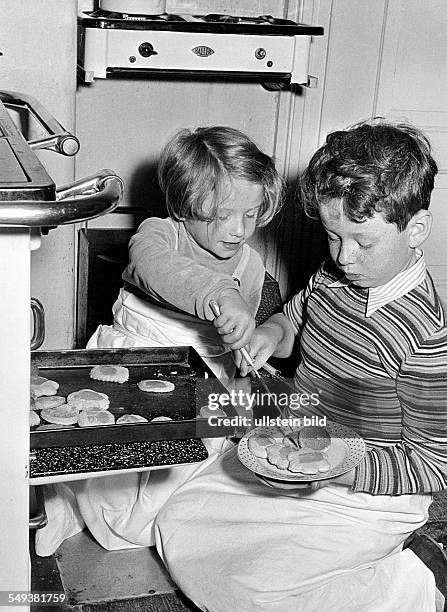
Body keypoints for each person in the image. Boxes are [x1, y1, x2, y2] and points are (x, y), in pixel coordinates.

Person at [154, 120, 447, 611]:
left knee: (252, 590)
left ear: (416, 228)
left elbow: (434, 465)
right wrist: (272, 334)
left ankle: (411, 582)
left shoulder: (425, 337)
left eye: (362, 242)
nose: (344, 257)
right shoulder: (334, 273)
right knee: (178, 521)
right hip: (301, 447)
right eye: (333, 237)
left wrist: (339, 470)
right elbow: (296, 317)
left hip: (369, 494)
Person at [35, 126, 284, 556]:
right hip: (133, 368)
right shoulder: (158, 234)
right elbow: (157, 266)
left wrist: (244, 369)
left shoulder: (252, 263)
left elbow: (236, 347)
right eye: (220, 215)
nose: (237, 230)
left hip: (205, 385)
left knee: (178, 483)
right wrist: (221, 293)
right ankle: (66, 503)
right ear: (185, 206)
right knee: (106, 470)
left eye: (251, 214)